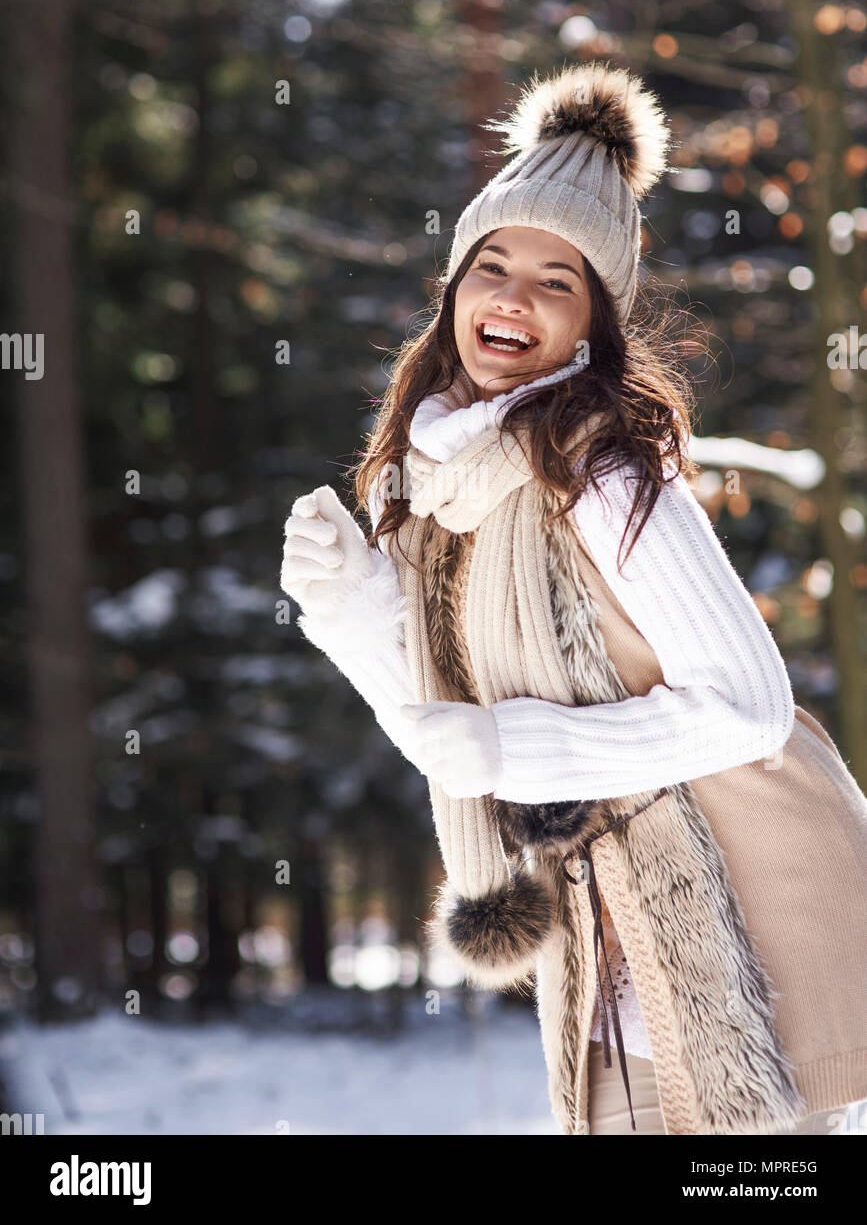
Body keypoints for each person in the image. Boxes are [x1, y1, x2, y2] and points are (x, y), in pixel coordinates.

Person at [280, 63, 867, 1136]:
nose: (512, 295)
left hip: (741, 881)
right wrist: (352, 604)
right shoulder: (440, 482)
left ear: (594, 322)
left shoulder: (603, 470)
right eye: (491, 263)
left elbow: (749, 706)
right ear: (453, 289)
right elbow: (446, 725)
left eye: (558, 279)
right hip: (612, 903)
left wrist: (511, 753)